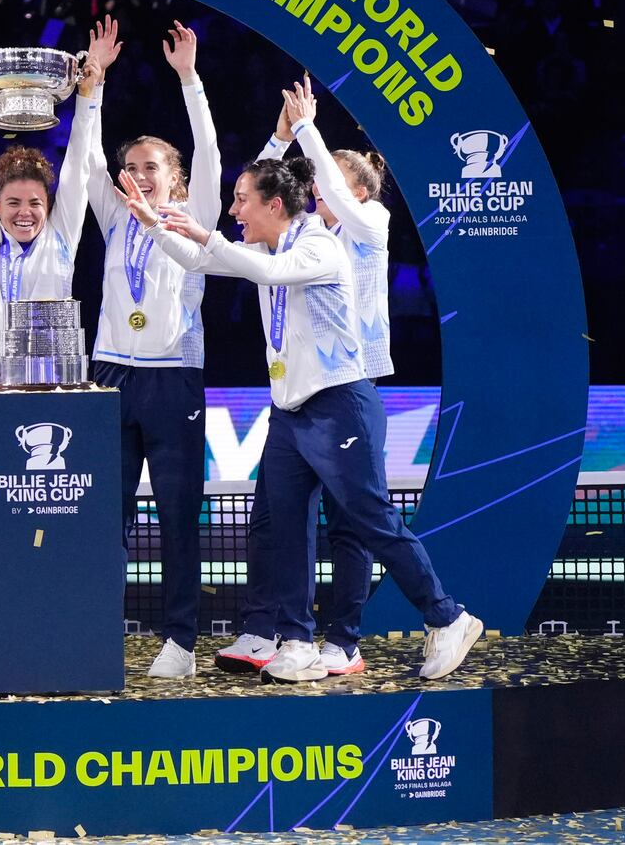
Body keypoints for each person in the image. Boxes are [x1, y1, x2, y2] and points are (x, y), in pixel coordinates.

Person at [123, 155, 482, 683]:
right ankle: (295, 639)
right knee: (285, 528)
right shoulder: (270, 243)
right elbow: (200, 262)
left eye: (241, 200)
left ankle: (447, 616)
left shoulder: (319, 245)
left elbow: (264, 271)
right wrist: (154, 223)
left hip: (340, 405)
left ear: (274, 204)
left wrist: (205, 233)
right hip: (290, 413)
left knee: (370, 520)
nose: (233, 210)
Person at [223, 74, 392, 677]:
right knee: (276, 517)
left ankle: (343, 639)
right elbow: (263, 195)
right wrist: (278, 140)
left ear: (360, 196)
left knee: (351, 524)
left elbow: (302, 200)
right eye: (318, 188)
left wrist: (309, 130)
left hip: (351, 388)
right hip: (294, 395)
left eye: (330, 188)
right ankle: (276, 633)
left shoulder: (366, 231)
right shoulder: (300, 237)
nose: (319, 195)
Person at [0, 47, 102, 682]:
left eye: (34, 201)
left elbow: (83, 176)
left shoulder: (64, 232)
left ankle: (50, 626)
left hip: (50, 392)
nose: (25, 212)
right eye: (13, 202)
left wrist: (87, 98)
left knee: (50, 521)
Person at [82, 17, 221, 679]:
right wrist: (93, 87)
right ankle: (95, 627)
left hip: (172, 378)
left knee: (176, 518)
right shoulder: (113, 216)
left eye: (151, 169)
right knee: (102, 515)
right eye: (130, 168)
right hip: (110, 374)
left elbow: (212, 154)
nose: (137, 177)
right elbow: (85, 162)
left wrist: (189, 79)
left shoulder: (196, 222)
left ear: (179, 182)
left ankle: (180, 642)